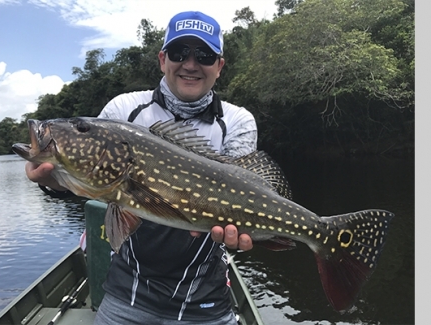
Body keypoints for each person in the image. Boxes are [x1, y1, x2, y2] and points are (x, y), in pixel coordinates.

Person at [25, 11, 258, 325]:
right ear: (163, 59)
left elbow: (249, 189)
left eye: (204, 55)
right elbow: (94, 183)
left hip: (205, 297)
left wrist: (253, 229)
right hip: (128, 293)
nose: (190, 64)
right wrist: (53, 180)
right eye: (179, 53)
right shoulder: (123, 110)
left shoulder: (237, 122)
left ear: (219, 66)